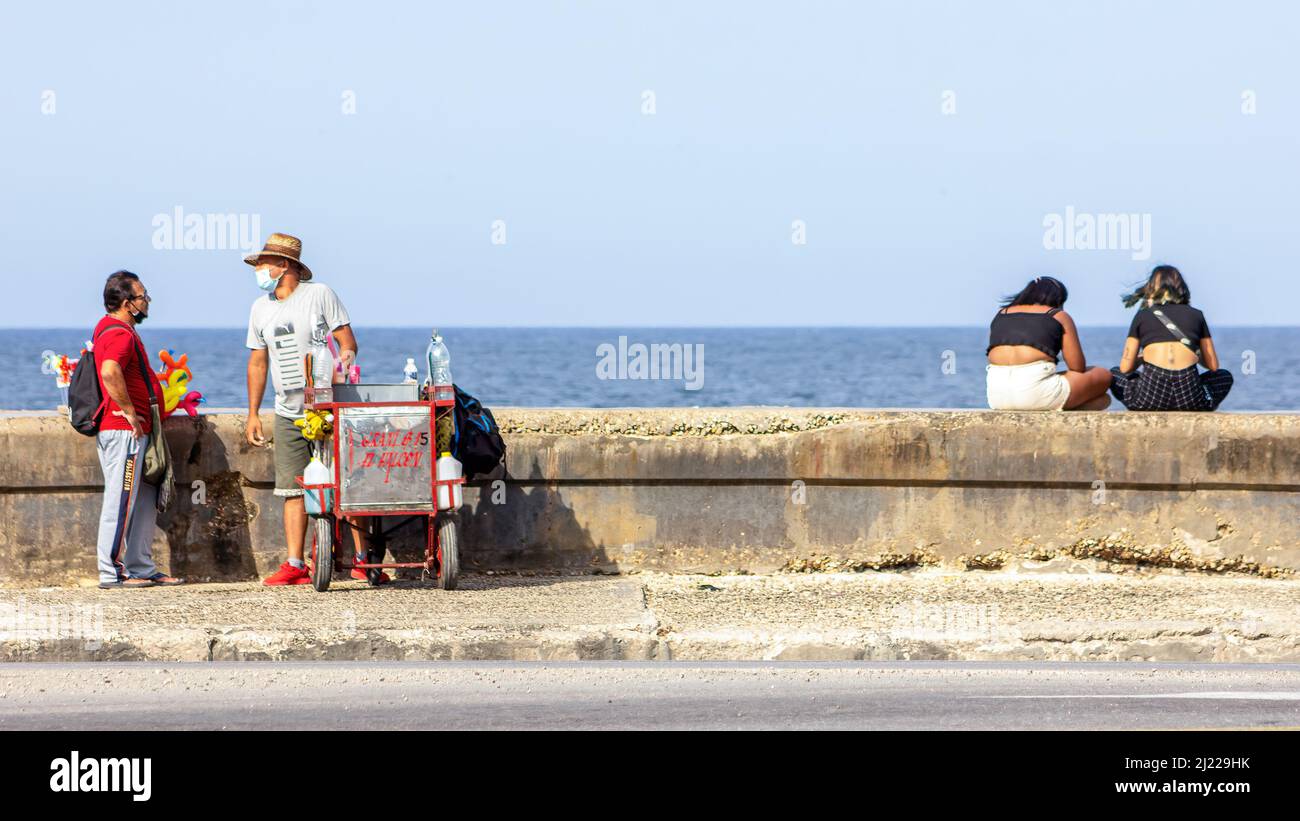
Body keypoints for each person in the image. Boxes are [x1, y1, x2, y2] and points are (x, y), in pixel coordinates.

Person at [243, 233, 386, 585]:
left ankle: (361, 560)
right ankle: (295, 564)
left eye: (264, 262)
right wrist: (253, 413)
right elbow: (258, 363)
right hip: (287, 410)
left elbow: (347, 342)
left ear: (285, 265)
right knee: (292, 488)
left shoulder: (319, 295)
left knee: (346, 483)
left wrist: (342, 366)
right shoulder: (259, 308)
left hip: (328, 409)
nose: (259, 269)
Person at [92, 271, 184, 589]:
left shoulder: (115, 330)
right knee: (121, 499)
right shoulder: (119, 333)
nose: (148, 301)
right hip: (123, 430)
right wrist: (130, 411)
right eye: (143, 295)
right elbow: (109, 370)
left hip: (138, 430)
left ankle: (141, 566)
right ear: (129, 303)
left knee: (144, 496)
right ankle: (111, 571)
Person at [1109, 265, 1233, 411]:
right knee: (1224, 376)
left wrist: (1143, 357)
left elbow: (1125, 368)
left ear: (1151, 289)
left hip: (1150, 399)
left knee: (1114, 373)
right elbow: (1213, 366)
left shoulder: (1142, 316)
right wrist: (1193, 353)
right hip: (1189, 399)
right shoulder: (1197, 315)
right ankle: (1204, 401)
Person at [986, 276, 1112, 411]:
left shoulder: (1001, 314)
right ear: (1059, 299)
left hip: (997, 397)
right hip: (1036, 394)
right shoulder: (1057, 315)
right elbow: (1077, 367)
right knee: (1103, 375)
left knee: (1102, 400)